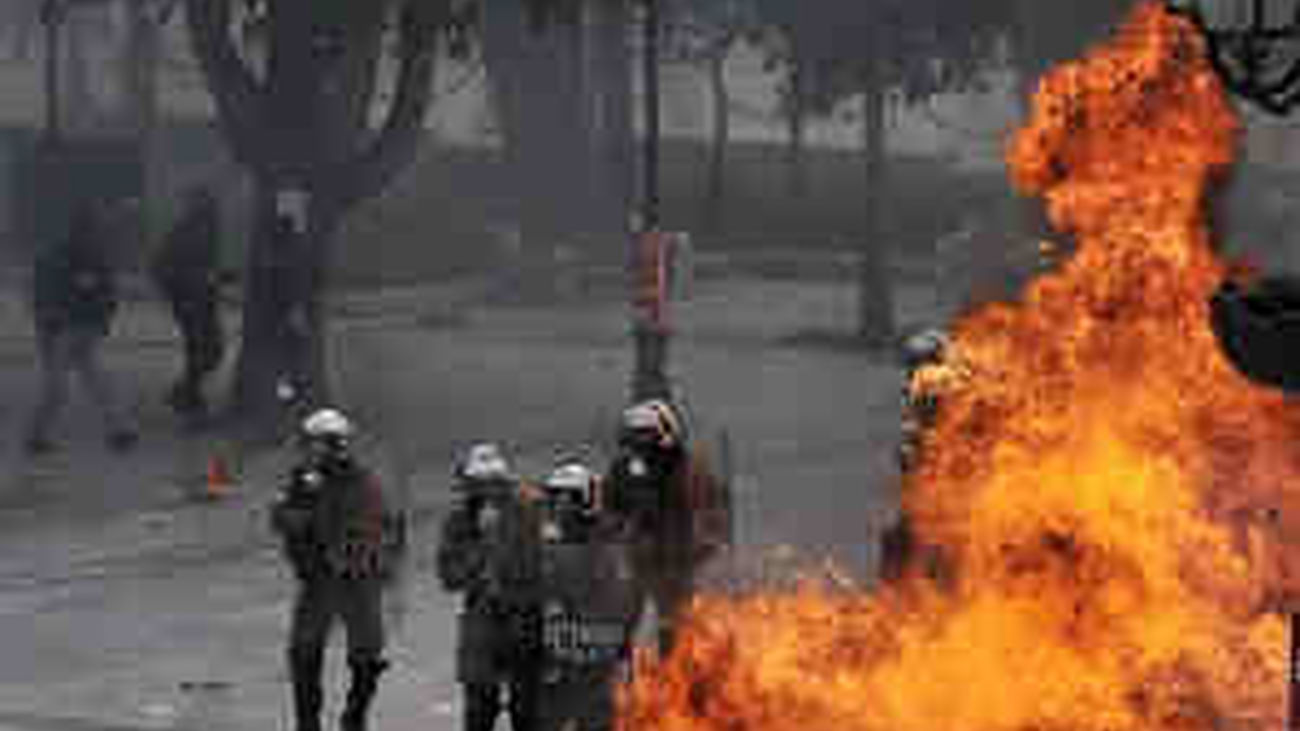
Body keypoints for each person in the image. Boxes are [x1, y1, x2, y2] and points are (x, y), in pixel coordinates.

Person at [269, 408, 407, 731]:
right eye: (308, 444)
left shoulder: (362, 482)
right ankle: (307, 723)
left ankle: (355, 716)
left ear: (335, 445)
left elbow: (379, 528)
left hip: (357, 578)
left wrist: (363, 556)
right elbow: (282, 517)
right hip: (318, 579)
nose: (308, 451)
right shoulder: (302, 480)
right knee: (303, 651)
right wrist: (297, 516)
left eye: (315, 444)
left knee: (367, 653)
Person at [601, 399, 730, 657]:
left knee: (675, 628)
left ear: (663, 433)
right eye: (635, 437)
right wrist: (619, 531)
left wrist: (707, 544)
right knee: (621, 626)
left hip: (677, 561)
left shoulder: (690, 467)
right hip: (636, 560)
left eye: (645, 436)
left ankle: (672, 678)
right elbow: (608, 508)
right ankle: (619, 674)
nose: (640, 444)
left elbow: (715, 509)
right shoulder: (624, 468)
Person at [436, 442, 542, 731]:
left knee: (528, 710)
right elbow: (448, 575)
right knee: (479, 710)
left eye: (492, 482)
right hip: (481, 620)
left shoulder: (528, 510)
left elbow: (542, 564)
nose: (486, 490)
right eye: (478, 483)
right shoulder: (458, 520)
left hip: (524, 618)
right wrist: (480, 550)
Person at [532, 458, 638, 731]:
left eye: (569, 498)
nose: (561, 506)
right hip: (556, 667)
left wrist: (621, 654)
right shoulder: (547, 548)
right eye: (555, 498)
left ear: (587, 501)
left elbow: (623, 608)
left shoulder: (608, 551)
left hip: (594, 667)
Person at [25, 199, 138, 455]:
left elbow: (106, 291)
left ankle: (119, 430)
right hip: (65, 328)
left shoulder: (84, 253)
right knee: (69, 385)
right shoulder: (68, 254)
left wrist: (102, 318)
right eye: (96, 224)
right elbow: (48, 292)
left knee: (92, 382)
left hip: (75, 327)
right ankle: (37, 435)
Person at [151, 185, 228, 421]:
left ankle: (184, 395)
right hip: (191, 300)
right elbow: (168, 266)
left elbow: (203, 267)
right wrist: (190, 284)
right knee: (204, 350)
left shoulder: (203, 229)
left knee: (209, 350)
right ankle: (190, 404)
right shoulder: (191, 230)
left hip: (199, 298)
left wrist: (217, 277)